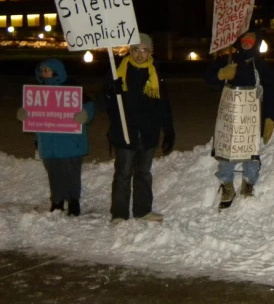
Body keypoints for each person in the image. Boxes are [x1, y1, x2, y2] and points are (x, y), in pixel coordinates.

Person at [102, 33, 175, 224]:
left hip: (148, 133)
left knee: (143, 173)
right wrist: (111, 92)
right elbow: (105, 102)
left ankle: (142, 210)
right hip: (125, 131)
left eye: (144, 50)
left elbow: (163, 104)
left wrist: (169, 130)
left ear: (150, 52)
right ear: (130, 50)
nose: (140, 54)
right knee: (123, 173)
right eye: (136, 49)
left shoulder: (154, 73)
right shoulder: (118, 71)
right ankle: (119, 213)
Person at [205, 28, 274, 209]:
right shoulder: (228, 60)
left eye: (251, 39)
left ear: (257, 44)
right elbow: (207, 77)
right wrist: (220, 74)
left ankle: (248, 183)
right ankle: (227, 186)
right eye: (244, 38)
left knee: (251, 152)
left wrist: (270, 116)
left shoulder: (262, 67)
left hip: (252, 119)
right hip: (229, 118)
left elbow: (272, 92)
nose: (247, 42)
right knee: (226, 153)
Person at [16, 58, 95, 216]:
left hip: (71, 143)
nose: (44, 73)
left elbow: (89, 107)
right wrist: (25, 115)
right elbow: (33, 113)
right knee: (54, 173)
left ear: (56, 71)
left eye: (48, 70)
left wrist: (85, 115)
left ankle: (73, 201)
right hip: (48, 143)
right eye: (42, 71)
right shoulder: (37, 91)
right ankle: (57, 201)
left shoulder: (72, 87)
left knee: (71, 173)